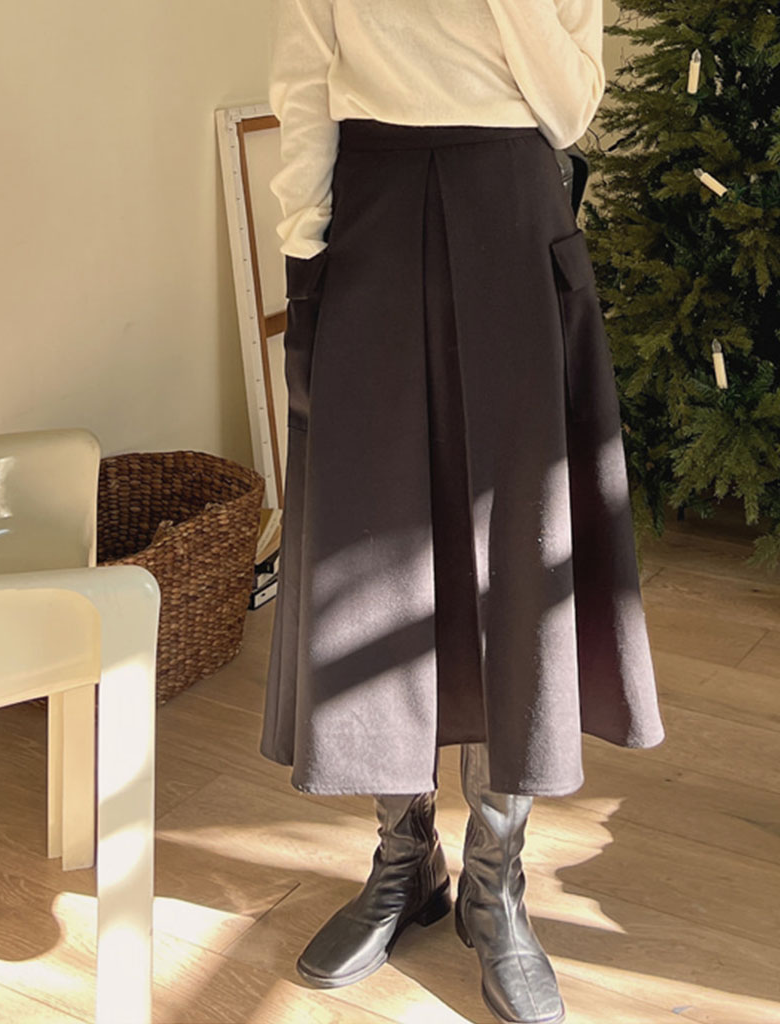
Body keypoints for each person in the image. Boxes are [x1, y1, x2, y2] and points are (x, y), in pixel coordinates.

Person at [259, 2, 667, 1022]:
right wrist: (304, 260)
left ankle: (495, 881)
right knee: (371, 555)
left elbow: (569, 110)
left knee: (519, 552)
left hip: (513, 218)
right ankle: (405, 862)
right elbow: (304, 85)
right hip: (370, 216)